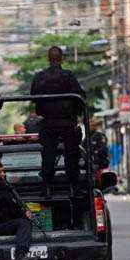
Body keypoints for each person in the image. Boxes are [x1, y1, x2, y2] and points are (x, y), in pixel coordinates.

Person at [30, 46, 86, 197]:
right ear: (62, 59)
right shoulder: (68, 76)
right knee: (71, 156)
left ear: (48, 59)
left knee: (48, 156)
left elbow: (33, 98)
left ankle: (47, 188)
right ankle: (73, 188)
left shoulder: (40, 77)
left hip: (48, 123)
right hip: (67, 123)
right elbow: (80, 97)